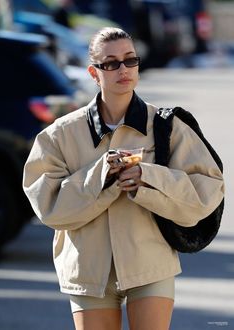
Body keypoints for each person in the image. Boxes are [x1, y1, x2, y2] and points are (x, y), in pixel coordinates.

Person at [23, 27, 224, 330]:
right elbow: (50, 208)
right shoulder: (59, 134)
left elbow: (208, 191)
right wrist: (101, 175)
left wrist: (148, 177)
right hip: (88, 272)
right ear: (94, 73)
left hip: (150, 264)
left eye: (130, 60)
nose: (123, 69)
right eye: (111, 63)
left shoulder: (167, 126)